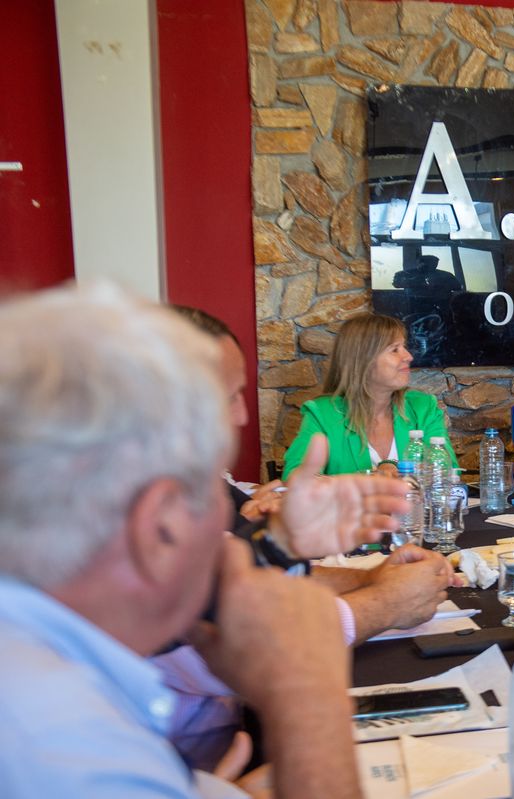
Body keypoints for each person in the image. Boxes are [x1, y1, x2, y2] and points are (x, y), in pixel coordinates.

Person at [0, 282, 361, 798]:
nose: (229, 529)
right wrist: (308, 699)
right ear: (161, 524)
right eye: (214, 491)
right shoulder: (75, 756)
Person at [163, 306, 456, 769]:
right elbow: (250, 648)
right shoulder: (133, 513)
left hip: (227, 735)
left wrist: (370, 576)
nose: (242, 415)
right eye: (228, 395)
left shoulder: (198, 488)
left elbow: (243, 578)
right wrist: (384, 604)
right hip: (198, 757)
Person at [283, 312, 458, 478]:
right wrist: (371, 477)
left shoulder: (423, 407)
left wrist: (391, 466)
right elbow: (296, 479)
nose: (409, 356)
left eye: (404, 347)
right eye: (395, 349)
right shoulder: (322, 414)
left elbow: (449, 473)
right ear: (363, 359)